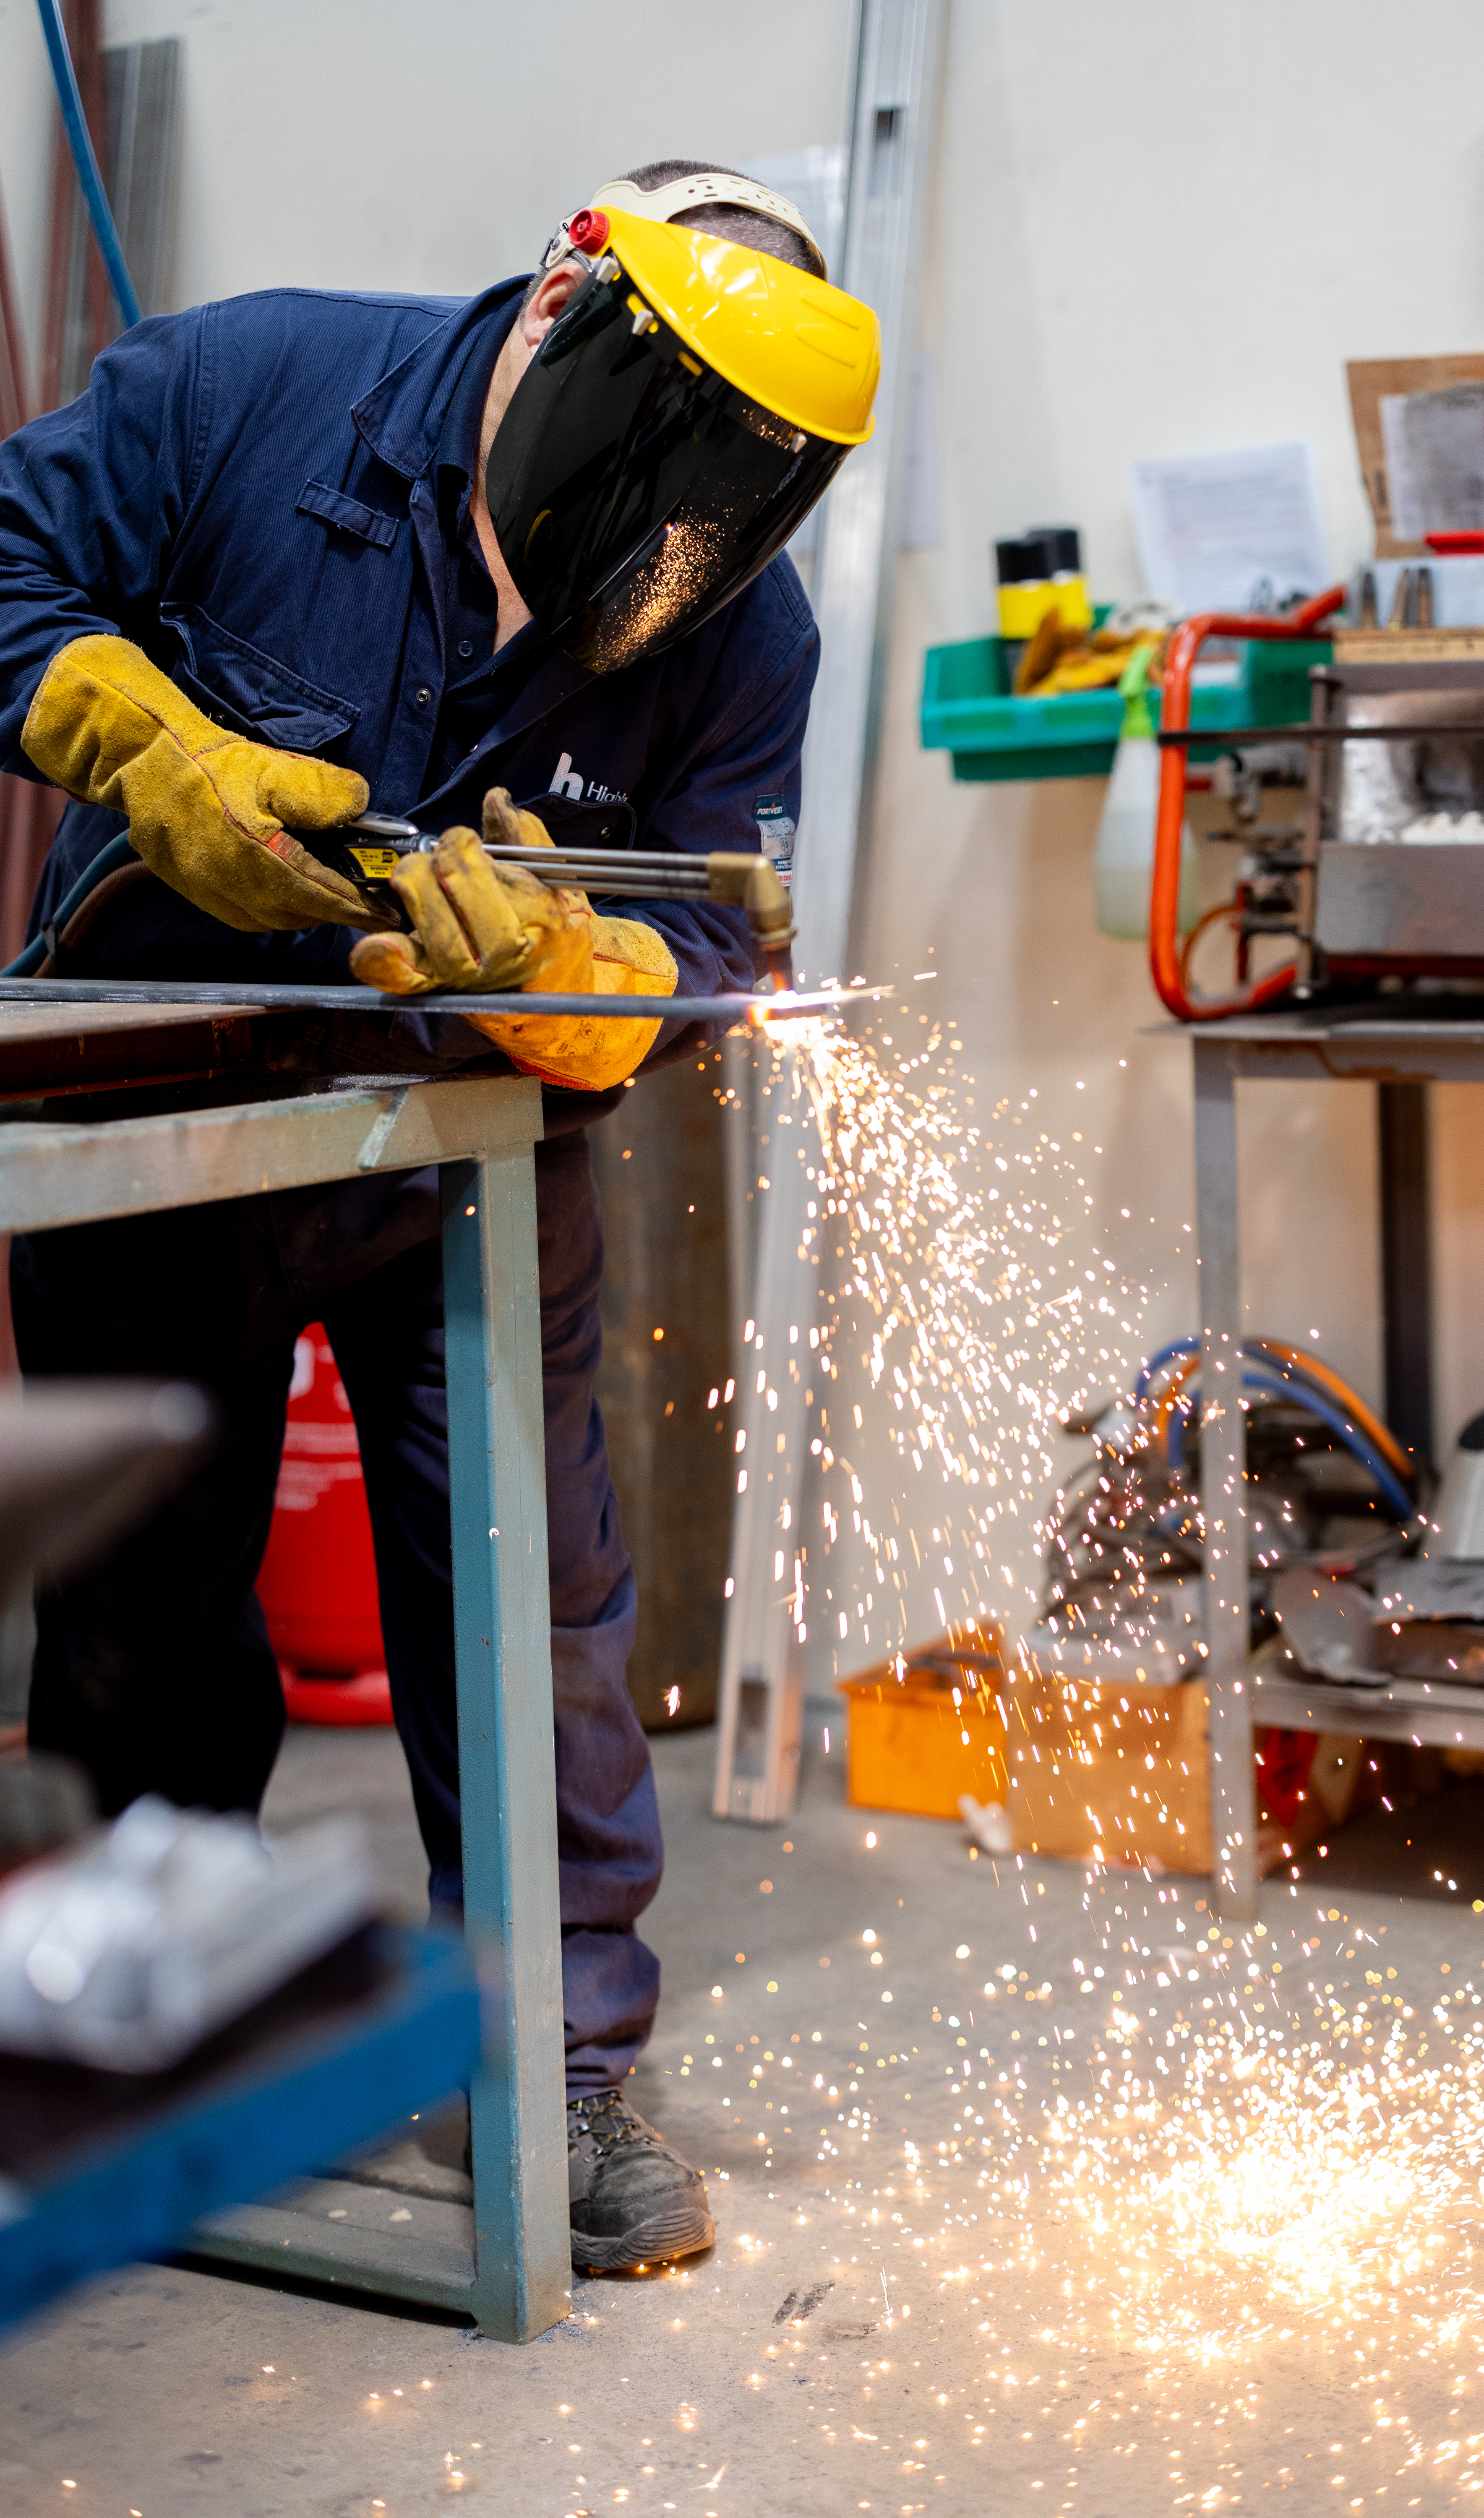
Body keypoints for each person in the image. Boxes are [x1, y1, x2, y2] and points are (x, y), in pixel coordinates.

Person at [0, 162, 878, 2273]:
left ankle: (563, 2073)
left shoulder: (742, 632)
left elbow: (724, 941)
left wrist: (600, 997)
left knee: (530, 1606)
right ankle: (160, 2030)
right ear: (573, 310)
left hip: (458, 1163)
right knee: (140, 1603)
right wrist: (140, 737)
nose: (685, 541)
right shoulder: (250, 390)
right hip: (155, 1103)